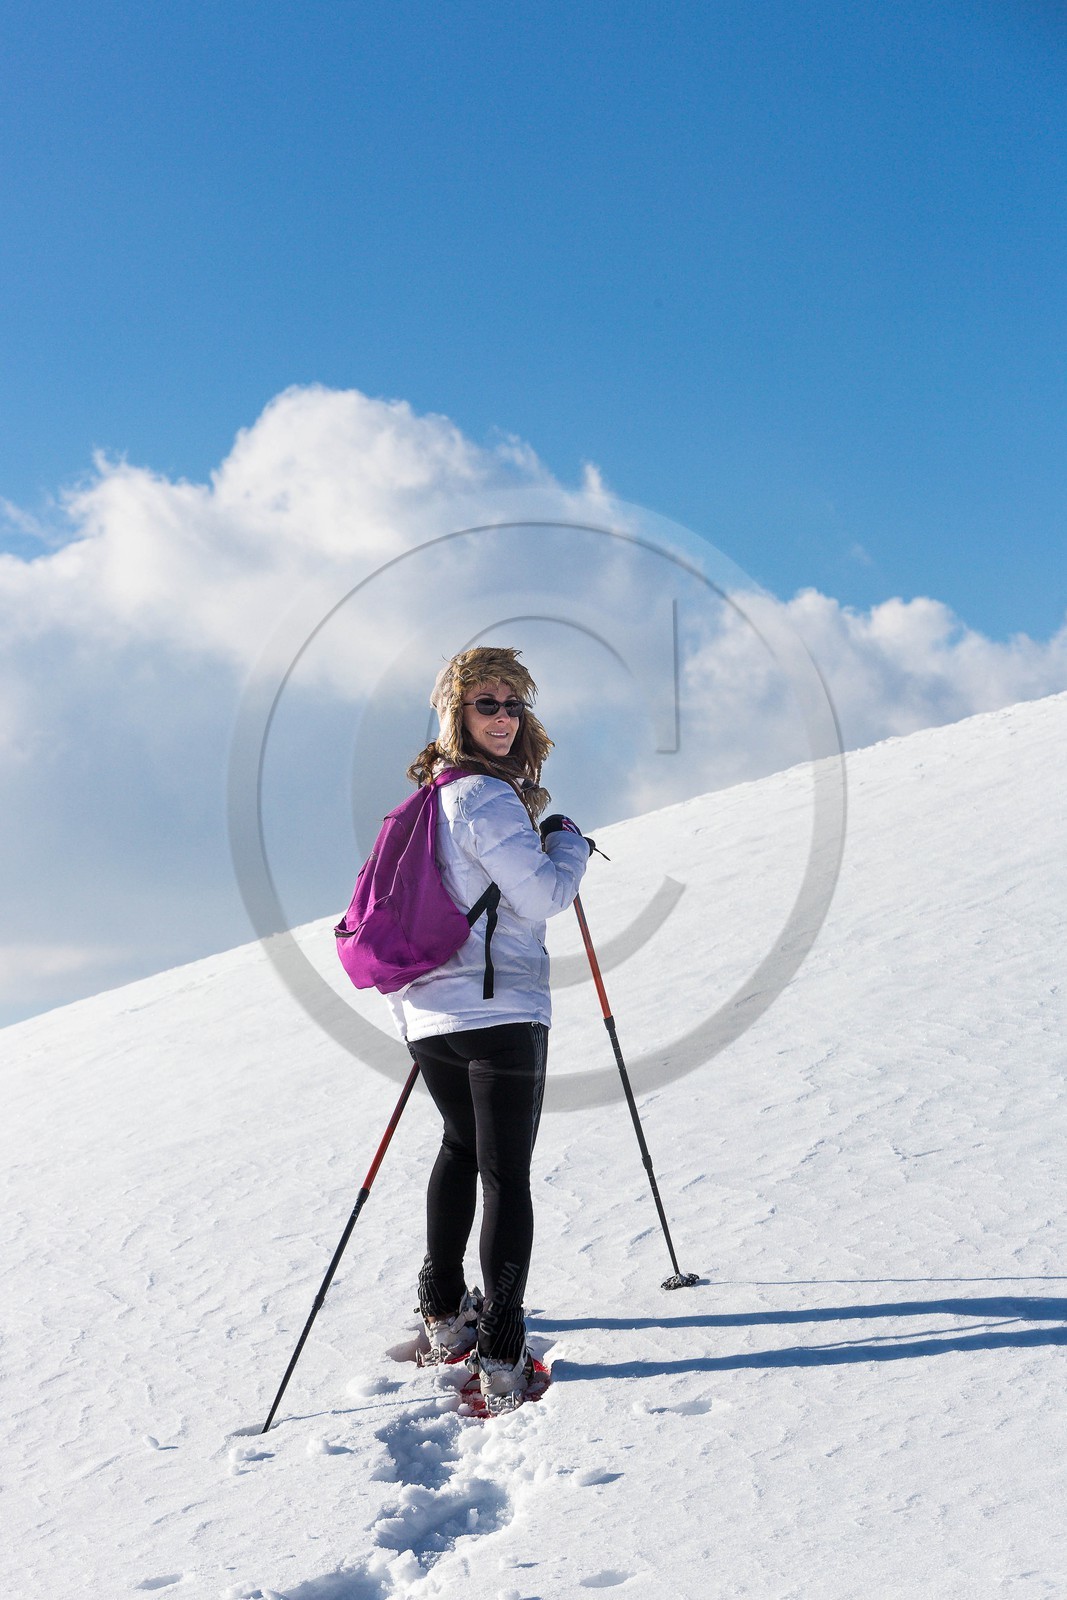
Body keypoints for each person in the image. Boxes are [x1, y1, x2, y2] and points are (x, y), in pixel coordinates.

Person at [388, 645, 590, 1411]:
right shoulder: (486, 797)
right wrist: (567, 844)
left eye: (513, 704)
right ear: (456, 713)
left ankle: (444, 1313)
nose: (503, 718)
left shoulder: (429, 795)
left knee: (458, 1148)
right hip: (499, 1010)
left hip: (428, 1011)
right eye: (486, 704)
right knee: (505, 1174)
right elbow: (539, 898)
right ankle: (503, 1356)